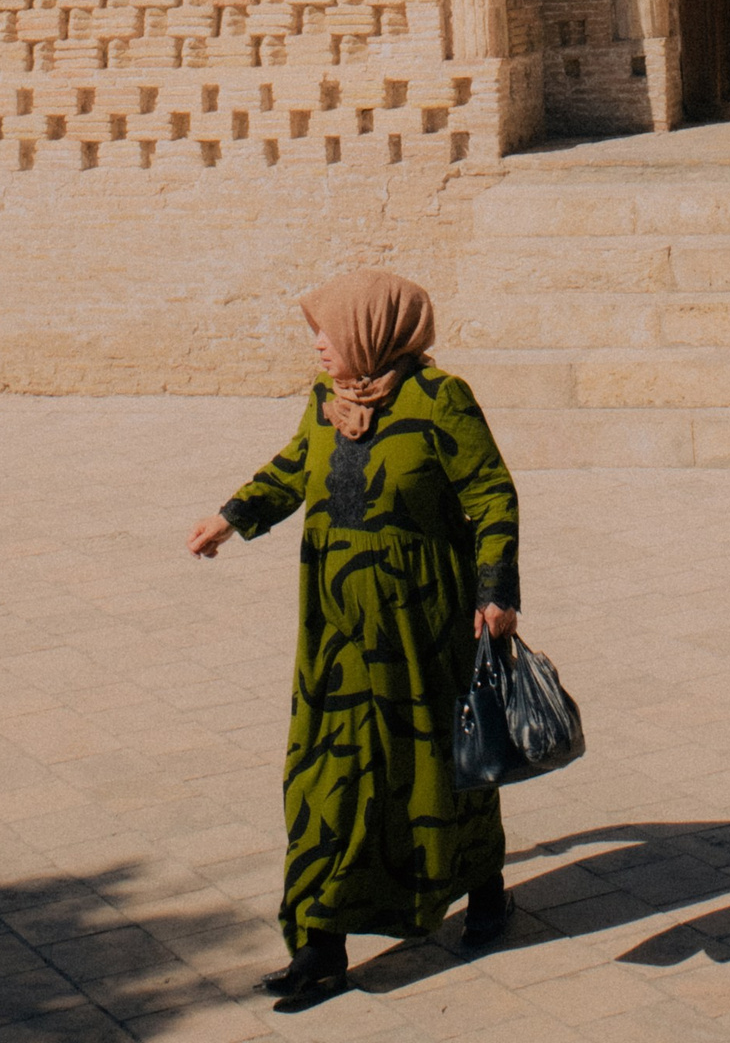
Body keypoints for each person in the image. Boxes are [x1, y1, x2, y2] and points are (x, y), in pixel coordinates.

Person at [190, 267, 521, 1012]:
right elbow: (293, 468)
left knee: (437, 762)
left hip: (423, 624)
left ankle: (486, 892)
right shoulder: (324, 404)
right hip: (334, 628)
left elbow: (491, 494)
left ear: (376, 334)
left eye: (328, 332)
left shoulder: (441, 401)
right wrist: (232, 517)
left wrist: (497, 593)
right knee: (321, 773)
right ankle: (319, 947)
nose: (317, 345)